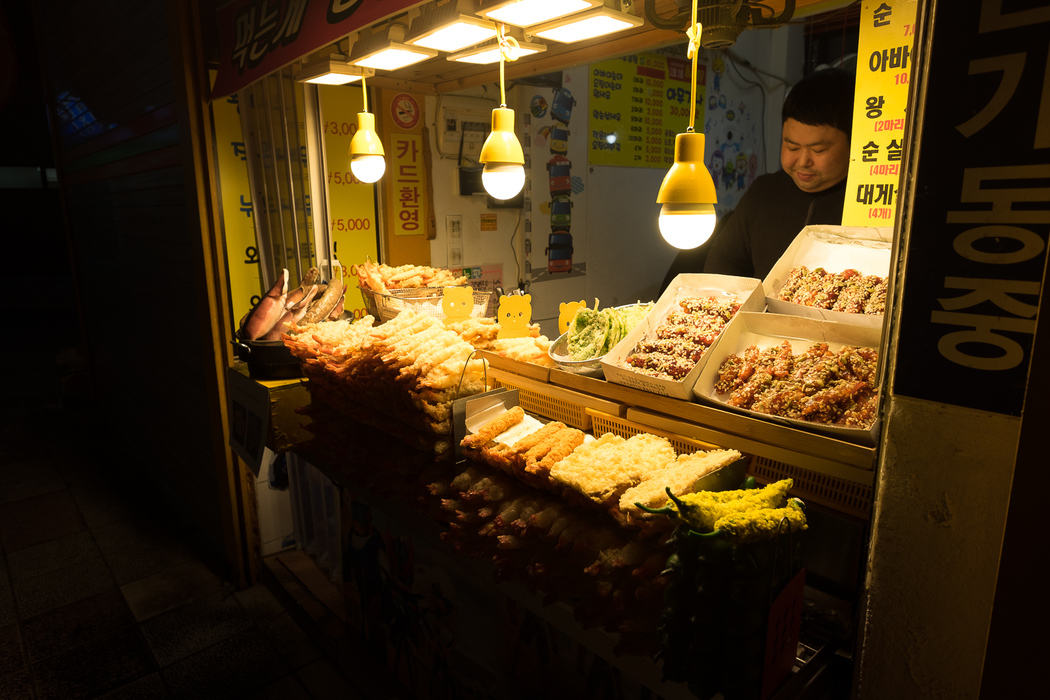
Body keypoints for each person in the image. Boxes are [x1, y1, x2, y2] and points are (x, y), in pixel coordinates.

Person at [699, 67, 855, 280]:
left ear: (853, 142)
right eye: (791, 147)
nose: (802, 161)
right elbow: (725, 259)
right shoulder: (764, 192)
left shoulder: (867, 202)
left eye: (818, 150)